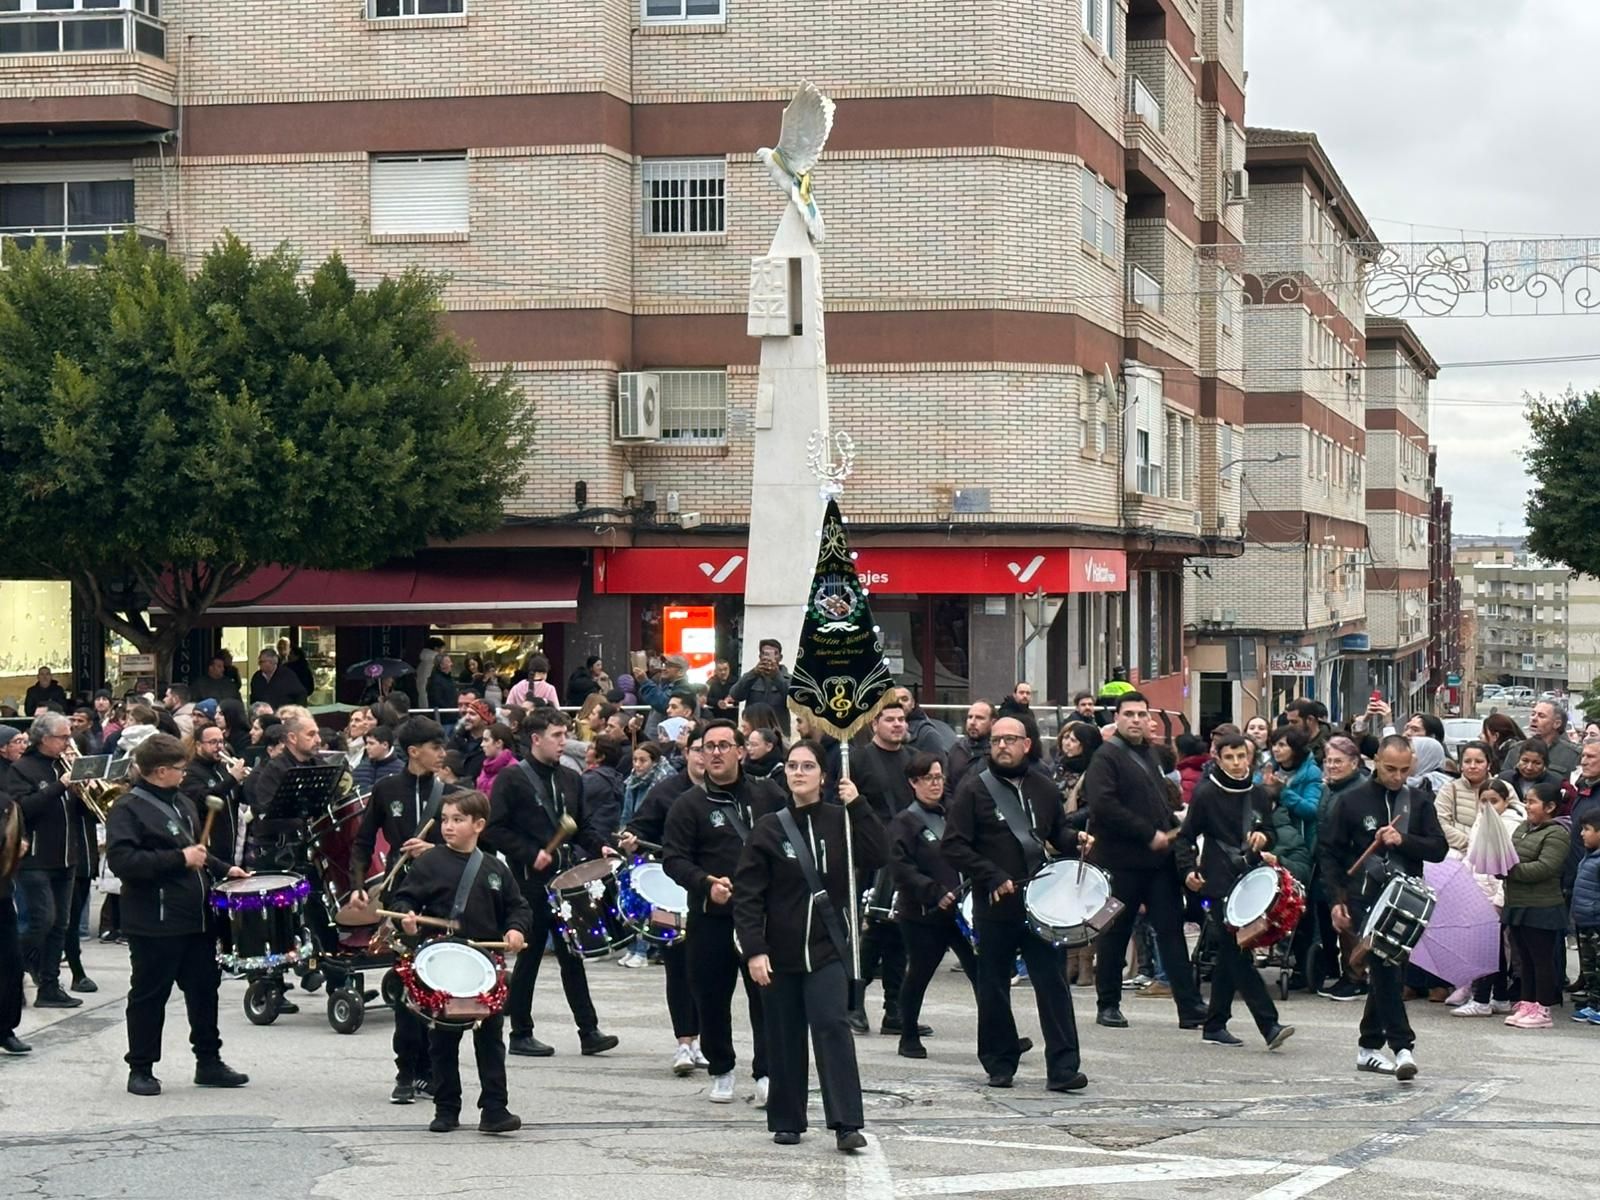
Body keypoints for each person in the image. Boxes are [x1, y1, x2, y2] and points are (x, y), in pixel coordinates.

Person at [734, 739, 883, 1151]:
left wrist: (859, 805)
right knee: (783, 1035)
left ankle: (846, 1122)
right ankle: (787, 1119)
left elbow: (879, 854)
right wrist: (754, 949)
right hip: (778, 952)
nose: (798, 773)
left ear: (823, 775)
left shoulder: (842, 820)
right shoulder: (769, 827)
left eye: (807, 766)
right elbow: (748, 894)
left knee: (832, 1026)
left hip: (828, 948)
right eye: (792, 766)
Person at [943, 715, 1088, 1092]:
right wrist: (990, 874)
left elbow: (1054, 832)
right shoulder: (973, 789)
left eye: (1010, 739)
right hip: (994, 904)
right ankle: (999, 1062)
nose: (1002, 746)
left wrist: (1075, 839)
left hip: (1040, 902)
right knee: (993, 985)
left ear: (1027, 744)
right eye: (996, 740)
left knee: (1053, 983)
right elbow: (953, 845)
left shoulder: (1043, 787)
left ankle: (1063, 1068)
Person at [106, 733, 250, 1096]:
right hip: (154, 920)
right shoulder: (127, 809)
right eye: (179, 768)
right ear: (159, 771)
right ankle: (141, 1067)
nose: (185, 774)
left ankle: (209, 1061)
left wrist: (224, 868)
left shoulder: (182, 801)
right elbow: (124, 861)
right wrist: (179, 859)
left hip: (195, 917)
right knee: (149, 995)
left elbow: (195, 849)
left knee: (204, 991)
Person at [390, 790, 533, 1134]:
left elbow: (518, 907)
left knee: (491, 1040)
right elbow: (403, 898)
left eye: (458, 820)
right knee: (443, 1041)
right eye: (445, 820)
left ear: (478, 825)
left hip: (484, 966)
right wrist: (406, 917)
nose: (448, 827)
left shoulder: (495, 868)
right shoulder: (430, 863)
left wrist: (515, 929)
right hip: (443, 964)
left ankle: (495, 1109)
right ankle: (446, 1108)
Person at [484, 710, 618, 1058]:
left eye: (564, 734)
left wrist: (600, 846)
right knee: (529, 958)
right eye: (557, 735)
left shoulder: (571, 778)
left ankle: (589, 1031)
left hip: (565, 880)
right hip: (529, 883)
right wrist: (531, 854)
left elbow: (582, 826)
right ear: (536, 739)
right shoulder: (512, 779)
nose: (563, 742)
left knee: (572, 954)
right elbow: (495, 829)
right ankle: (520, 1032)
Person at [662, 720, 783, 1104]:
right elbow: (673, 859)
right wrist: (704, 883)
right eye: (707, 746)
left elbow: (791, 839)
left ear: (740, 751)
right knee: (711, 998)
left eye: (723, 745)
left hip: (761, 916)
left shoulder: (768, 795)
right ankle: (722, 1069)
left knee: (767, 997)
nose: (714, 753)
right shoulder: (688, 805)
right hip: (710, 917)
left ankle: (767, 1072)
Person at [1318, 736, 1447, 1080]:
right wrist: (1336, 900)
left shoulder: (1418, 801)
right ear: (1375, 760)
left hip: (1406, 898)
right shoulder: (1350, 801)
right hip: (1363, 895)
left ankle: (1368, 1047)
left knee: (1389, 968)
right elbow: (1329, 853)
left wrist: (1403, 840)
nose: (1397, 776)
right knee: (1385, 965)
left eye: (1404, 770)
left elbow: (1438, 849)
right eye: (1390, 768)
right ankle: (1403, 1047)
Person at [1082, 693, 1207, 1030]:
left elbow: (1157, 802)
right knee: (1114, 933)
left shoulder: (1150, 754)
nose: (1136, 720)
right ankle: (1108, 1004)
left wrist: (1173, 829)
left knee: (1171, 932)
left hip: (1158, 864)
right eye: (1129, 714)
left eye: (1141, 714)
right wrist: (1147, 833)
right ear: (1117, 718)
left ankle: (1190, 1007)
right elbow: (1104, 806)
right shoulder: (1105, 757)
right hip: (1121, 863)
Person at [1176, 733, 1295, 1050]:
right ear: (1218, 759)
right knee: (1237, 951)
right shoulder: (1206, 793)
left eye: (1241, 756)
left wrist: (1264, 838)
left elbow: (1270, 830)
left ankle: (1215, 1024)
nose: (1236, 763)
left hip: (1249, 879)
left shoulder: (1258, 794)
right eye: (1229, 757)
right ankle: (1269, 1024)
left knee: (1232, 954)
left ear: (1249, 758)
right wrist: (1187, 871)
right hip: (1217, 881)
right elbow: (1185, 837)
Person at [619, 724, 707, 1070]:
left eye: (712, 748)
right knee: (678, 968)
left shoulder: (731, 792)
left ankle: (706, 1041)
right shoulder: (666, 792)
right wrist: (631, 838)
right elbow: (639, 827)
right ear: (687, 753)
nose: (705, 756)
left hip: (714, 893)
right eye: (698, 749)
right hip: (670, 891)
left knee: (711, 972)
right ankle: (684, 1042)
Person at [888, 753, 977, 1059]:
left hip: (960, 912)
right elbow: (901, 869)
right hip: (922, 915)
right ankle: (908, 1035)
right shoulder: (905, 822)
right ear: (913, 783)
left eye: (939, 777)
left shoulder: (954, 813)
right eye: (928, 778)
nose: (935, 784)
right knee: (920, 974)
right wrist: (933, 891)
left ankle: (999, 1035)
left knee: (981, 973)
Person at [843, 700, 917, 1036]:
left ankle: (894, 1009)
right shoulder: (858, 760)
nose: (898, 724)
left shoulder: (913, 759)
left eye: (901, 719)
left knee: (899, 933)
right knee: (870, 933)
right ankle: (854, 1005)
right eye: (890, 719)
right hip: (869, 859)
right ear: (875, 724)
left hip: (905, 856)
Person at [7, 712, 83, 1009]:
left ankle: (49, 987)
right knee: (41, 921)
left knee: (60, 925)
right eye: (63, 737)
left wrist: (84, 791)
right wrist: (60, 786)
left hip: (66, 856)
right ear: (44, 738)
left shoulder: (63, 765)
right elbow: (23, 809)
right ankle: (12, 971)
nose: (68, 742)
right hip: (35, 859)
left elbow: (76, 811)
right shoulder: (23, 769)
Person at [1501, 782, 1572, 1029]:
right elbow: (1509, 855)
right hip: (1517, 903)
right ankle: (1527, 1003)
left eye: (1532, 802)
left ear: (1550, 807)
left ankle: (1543, 1009)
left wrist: (1510, 870)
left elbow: (1545, 867)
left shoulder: (1557, 833)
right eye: (1526, 801)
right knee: (1525, 959)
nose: (1527, 806)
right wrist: (1498, 865)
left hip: (1542, 907)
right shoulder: (1522, 828)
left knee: (1541, 960)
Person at [1451, 777, 1524, 1017]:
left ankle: (1481, 999)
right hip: (1478, 891)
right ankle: (1500, 996)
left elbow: (1509, 866)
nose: (1488, 806)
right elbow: (1472, 856)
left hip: (1497, 896)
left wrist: (1499, 900)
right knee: (1495, 949)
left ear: (1506, 802)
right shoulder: (1479, 821)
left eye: (1494, 801)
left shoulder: (1510, 825)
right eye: (1484, 801)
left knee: (1486, 947)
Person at [180, 724, 249, 868]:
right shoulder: (191, 772)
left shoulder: (223, 768)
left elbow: (237, 798)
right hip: (209, 848)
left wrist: (247, 782)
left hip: (231, 845)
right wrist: (232, 779)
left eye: (221, 741)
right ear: (198, 745)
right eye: (213, 742)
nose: (219, 747)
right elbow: (204, 800)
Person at [0, 725, 29, 1054]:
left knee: (10, 961)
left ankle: (5, 1027)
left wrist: (16, 842)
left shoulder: (7, 797)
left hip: (2, 890)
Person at [1570, 814, 1600, 1024]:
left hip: (1597, 921)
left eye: (1587, 829)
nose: (1582, 834)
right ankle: (1593, 1003)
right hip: (1585, 920)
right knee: (1589, 967)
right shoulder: (1589, 856)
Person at [1502, 700, 1580, 780]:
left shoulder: (1573, 755)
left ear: (1557, 724)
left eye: (1541, 716)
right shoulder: (1516, 749)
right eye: (1533, 714)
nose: (1534, 719)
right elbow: (1504, 781)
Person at [728, 640, 793, 735]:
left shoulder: (788, 679)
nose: (769, 658)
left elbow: (792, 700)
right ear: (760, 657)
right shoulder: (750, 677)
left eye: (774, 654)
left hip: (778, 732)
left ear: (780, 657)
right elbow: (735, 695)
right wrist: (753, 673)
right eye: (765, 654)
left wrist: (776, 676)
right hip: (753, 731)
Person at [894, 685, 957, 756]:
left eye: (904, 699)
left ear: (913, 703)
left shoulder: (927, 733)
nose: (900, 703)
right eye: (894, 700)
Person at [947, 700, 995, 788]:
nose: (972, 722)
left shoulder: (997, 753)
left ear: (993, 723)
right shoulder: (957, 748)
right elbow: (947, 784)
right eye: (970, 717)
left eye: (979, 718)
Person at [355, 725, 405, 792]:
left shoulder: (401, 770)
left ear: (385, 745)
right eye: (366, 743)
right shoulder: (360, 768)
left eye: (371, 743)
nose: (367, 747)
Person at [476, 724, 519, 795]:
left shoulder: (514, 769)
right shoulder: (487, 766)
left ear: (498, 743)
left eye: (486, 740)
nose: (482, 744)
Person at [1284, 699, 1329, 764]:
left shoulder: (1333, 743)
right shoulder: (1288, 740)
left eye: (1294, 722)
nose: (1290, 726)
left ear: (1310, 719)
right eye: (1289, 721)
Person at [1173, 733, 1211, 806]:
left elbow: (1185, 803)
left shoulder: (1185, 775)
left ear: (1181, 753)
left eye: (1174, 749)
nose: (1172, 752)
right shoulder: (1206, 767)